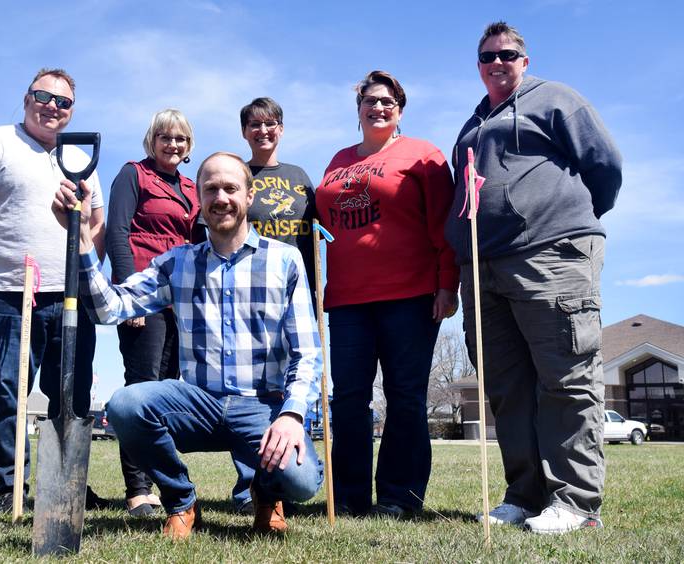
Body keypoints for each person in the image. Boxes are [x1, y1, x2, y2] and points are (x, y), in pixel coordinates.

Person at [53, 152, 324, 540]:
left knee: (301, 480)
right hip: (198, 402)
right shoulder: (177, 262)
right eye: (211, 189)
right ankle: (181, 501)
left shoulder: (285, 261)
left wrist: (292, 416)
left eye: (231, 188)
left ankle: (267, 496)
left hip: (261, 404)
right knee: (125, 406)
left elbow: (306, 353)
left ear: (249, 196)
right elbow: (107, 309)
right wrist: (80, 243)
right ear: (199, 199)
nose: (221, 197)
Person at [444, 22, 622, 534]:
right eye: (486, 56)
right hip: (484, 267)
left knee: (566, 377)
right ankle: (524, 495)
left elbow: (604, 166)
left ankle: (576, 502)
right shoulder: (473, 123)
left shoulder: (558, 100)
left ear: (525, 58)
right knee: (506, 386)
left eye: (507, 53)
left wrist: (564, 220)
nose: (497, 61)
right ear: (477, 64)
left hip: (551, 255)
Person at [0, 68, 108, 514]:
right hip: (5, 294)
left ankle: (67, 483)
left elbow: (97, 220)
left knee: (72, 395)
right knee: (6, 392)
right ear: (26, 98)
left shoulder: (77, 157)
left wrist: (88, 271)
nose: (52, 106)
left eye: (63, 102)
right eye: (44, 96)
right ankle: (11, 488)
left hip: (70, 298)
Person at [315, 70, 459, 518]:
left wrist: (446, 284)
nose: (379, 108)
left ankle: (399, 497)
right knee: (348, 398)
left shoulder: (422, 154)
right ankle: (350, 497)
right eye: (370, 101)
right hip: (347, 299)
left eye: (388, 102)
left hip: (410, 295)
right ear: (357, 108)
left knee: (405, 396)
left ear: (400, 109)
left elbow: (445, 224)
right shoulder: (338, 160)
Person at [105, 109, 204, 517]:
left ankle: (165, 486)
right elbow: (117, 232)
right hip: (145, 296)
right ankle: (137, 490)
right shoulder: (133, 174)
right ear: (152, 139)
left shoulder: (190, 187)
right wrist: (131, 295)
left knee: (168, 393)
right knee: (140, 391)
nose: (173, 145)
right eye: (165, 137)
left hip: (181, 301)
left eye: (180, 139)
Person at [227, 96, 317, 514]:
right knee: (250, 388)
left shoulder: (300, 178)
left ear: (281, 128)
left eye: (271, 124)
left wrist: (317, 296)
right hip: (246, 295)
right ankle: (250, 486)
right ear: (245, 132)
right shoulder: (237, 176)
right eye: (255, 125)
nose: (264, 131)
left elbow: (314, 241)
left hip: (294, 295)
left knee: (291, 384)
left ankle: (283, 474)